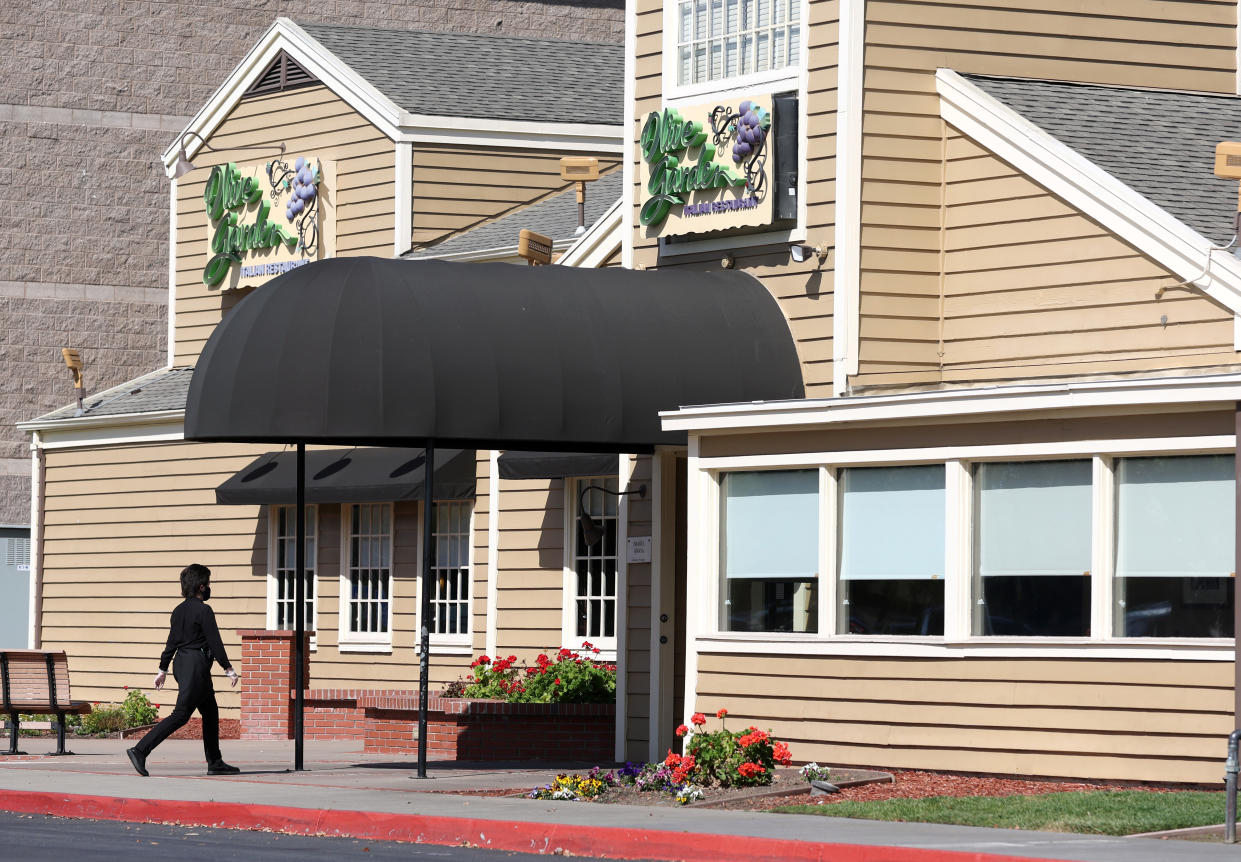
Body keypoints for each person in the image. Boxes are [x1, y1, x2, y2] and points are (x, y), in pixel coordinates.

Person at [126, 563, 242, 776]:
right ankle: (140, 750)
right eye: (208, 583)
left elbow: (171, 641)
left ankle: (215, 762)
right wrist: (228, 668)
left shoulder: (178, 610)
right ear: (200, 587)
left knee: (210, 712)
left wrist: (163, 668)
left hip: (183, 663)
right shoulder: (204, 610)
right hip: (195, 666)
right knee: (181, 714)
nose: (209, 587)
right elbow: (215, 641)